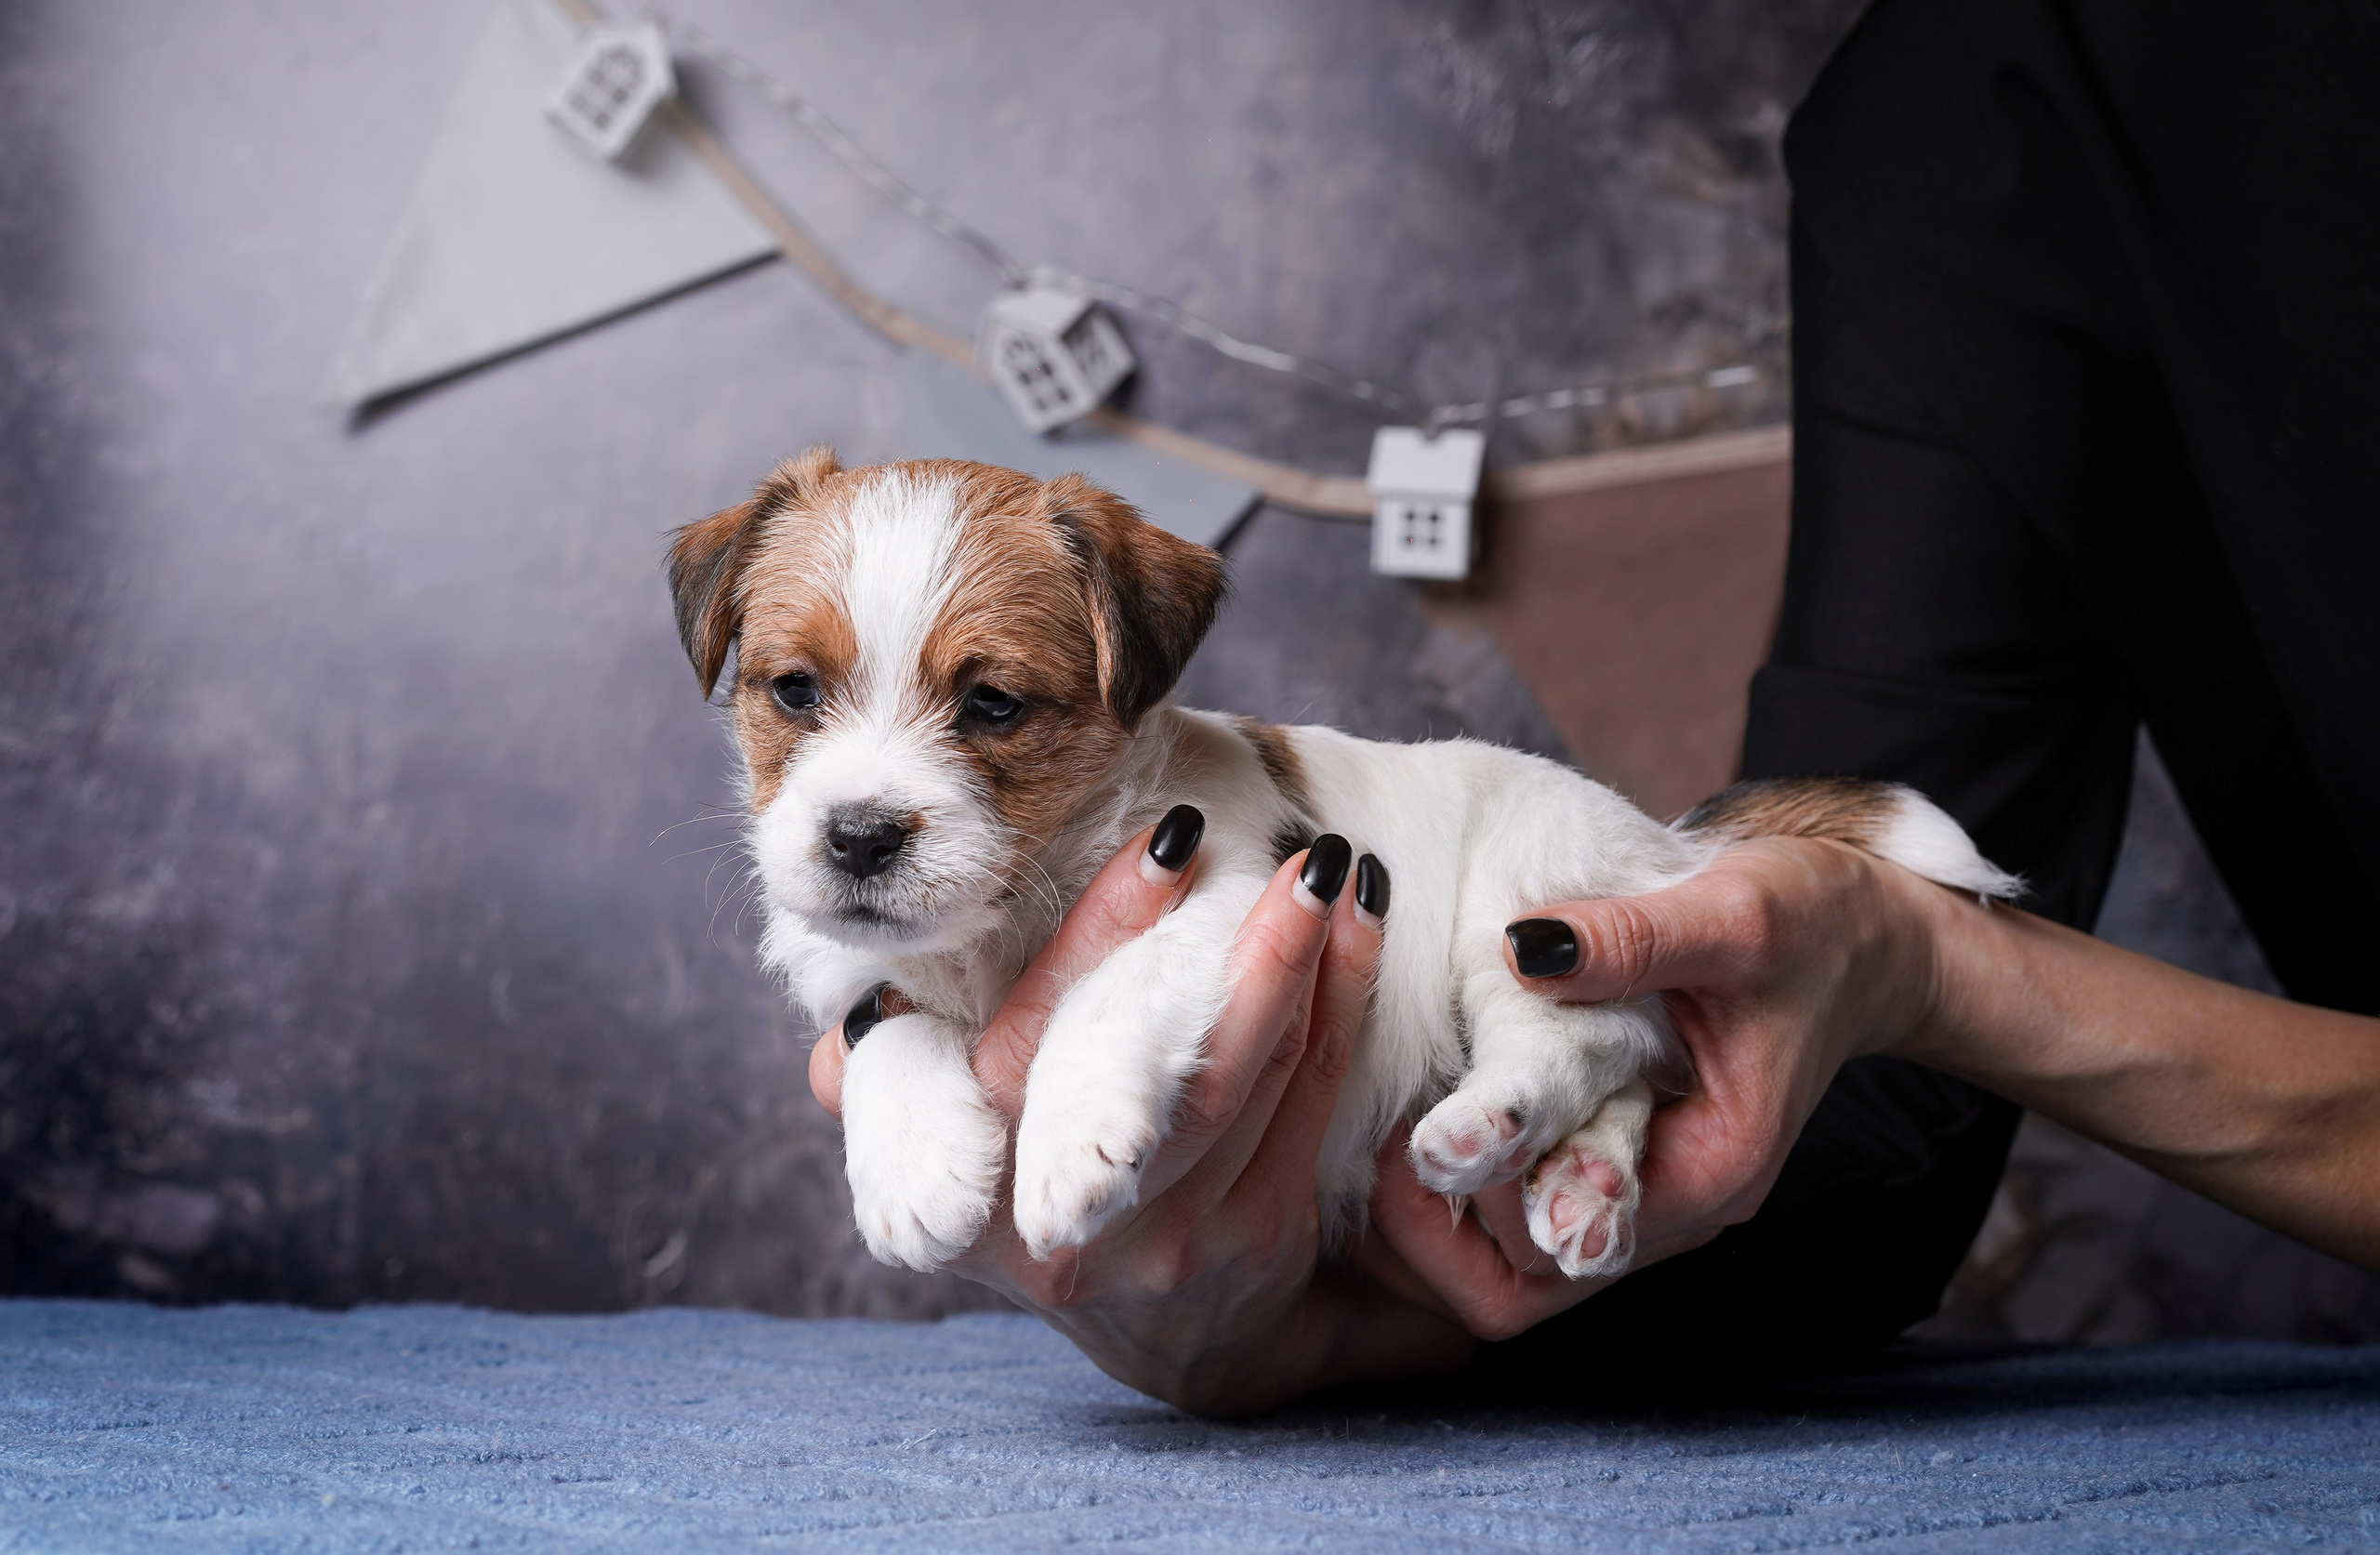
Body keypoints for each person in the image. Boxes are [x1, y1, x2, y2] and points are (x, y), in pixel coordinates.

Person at [811, 0, 2380, 1411]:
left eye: (995, 704)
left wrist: (1919, 961)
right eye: (794, 693)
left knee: (1536, 968)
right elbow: (1865, 1131)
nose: (864, 778)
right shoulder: (1957, 126)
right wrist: (1379, 1320)